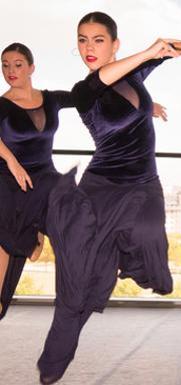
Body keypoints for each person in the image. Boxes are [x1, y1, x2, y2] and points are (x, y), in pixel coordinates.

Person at [37, 11, 181, 384]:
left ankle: (129, 262)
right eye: (82, 40)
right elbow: (114, 74)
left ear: (115, 44)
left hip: (143, 183)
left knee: (146, 233)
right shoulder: (85, 89)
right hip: (100, 189)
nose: (89, 48)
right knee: (78, 284)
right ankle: (52, 364)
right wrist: (148, 53)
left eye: (98, 40)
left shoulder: (135, 75)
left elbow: (168, 51)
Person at [0, 43, 74, 320]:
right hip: (7, 177)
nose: (10, 70)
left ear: (32, 67)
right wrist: (11, 160)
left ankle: (36, 233)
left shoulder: (51, 99)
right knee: (3, 227)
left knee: (69, 203)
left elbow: (90, 97)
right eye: (5, 64)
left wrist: (142, 105)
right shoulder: (2, 104)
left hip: (43, 176)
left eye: (18, 64)